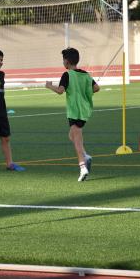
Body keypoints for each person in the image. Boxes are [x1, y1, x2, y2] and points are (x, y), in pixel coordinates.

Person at [45, 48, 99, 182]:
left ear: (67, 62)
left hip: (75, 111)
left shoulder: (67, 74)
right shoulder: (86, 75)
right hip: (84, 110)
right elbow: (97, 88)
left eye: (63, 59)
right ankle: (85, 156)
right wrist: (85, 93)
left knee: (77, 141)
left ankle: (83, 167)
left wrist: (49, 86)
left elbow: (60, 91)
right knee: (72, 136)